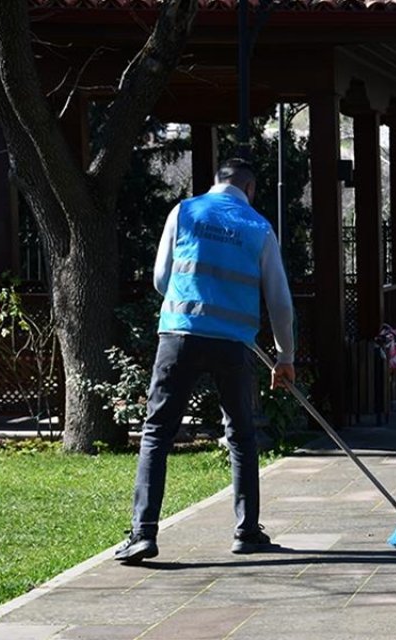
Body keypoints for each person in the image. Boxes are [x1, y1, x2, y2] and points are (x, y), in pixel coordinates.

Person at [114, 158, 296, 563]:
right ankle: (246, 530)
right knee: (242, 434)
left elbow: (161, 279)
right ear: (249, 190)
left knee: (157, 432)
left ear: (216, 183)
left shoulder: (184, 211)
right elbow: (279, 300)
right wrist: (285, 356)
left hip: (179, 334)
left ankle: (143, 533)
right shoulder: (258, 227)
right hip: (234, 344)